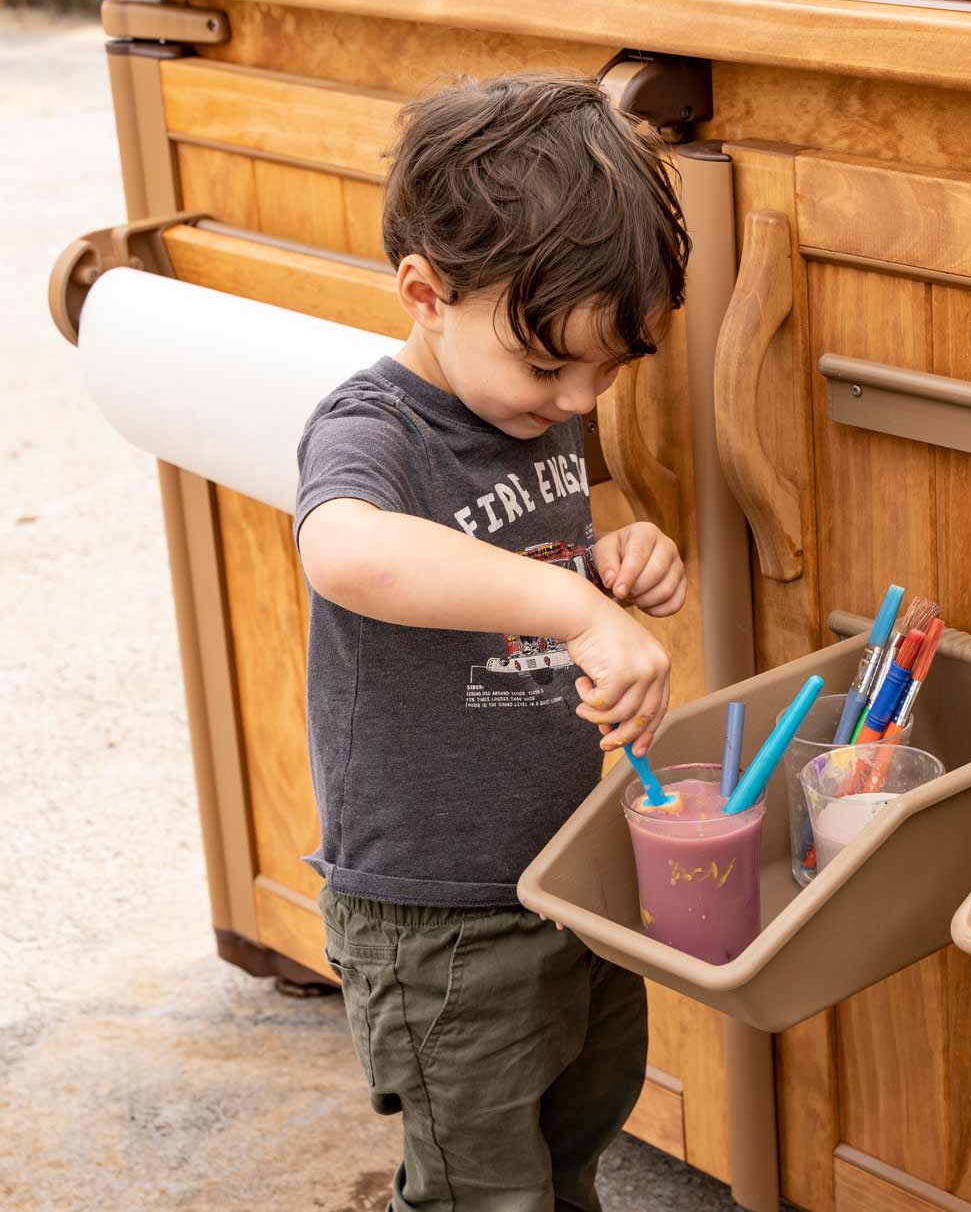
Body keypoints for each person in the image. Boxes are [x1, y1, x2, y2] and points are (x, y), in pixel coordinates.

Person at [294, 72, 691, 1212]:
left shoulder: (528, 408)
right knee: (482, 1186)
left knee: (575, 1132)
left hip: (561, 871)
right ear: (425, 291)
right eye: (549, 365)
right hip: (438, 914)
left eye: (609, 369)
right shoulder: (377, 428)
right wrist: (575, 611)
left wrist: (621, 562)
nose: (577, 399)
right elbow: (345, 551)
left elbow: (544, 549)